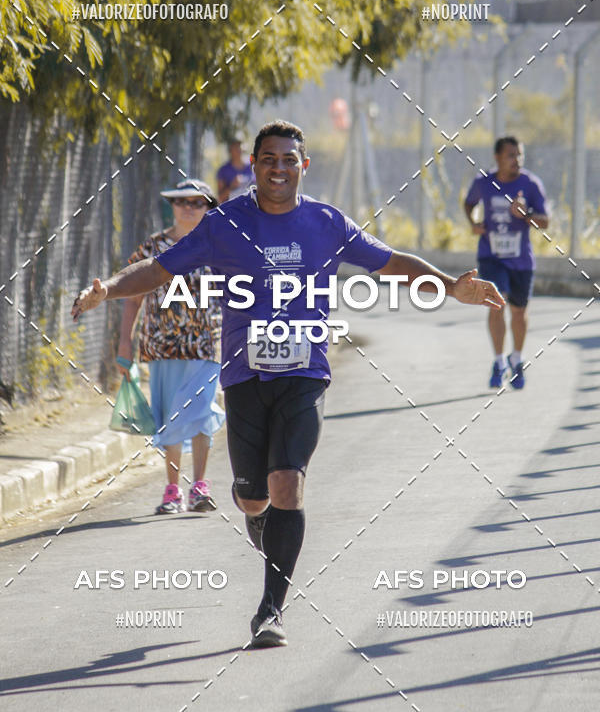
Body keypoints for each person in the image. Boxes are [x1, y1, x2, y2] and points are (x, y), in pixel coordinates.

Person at [72, 120, 504, 648]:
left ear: (304, 165)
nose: (279, 168)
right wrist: (110, 289)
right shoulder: (224, 223)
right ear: (253, 166)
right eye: (269, 159)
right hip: (244, 375)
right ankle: (260, 522)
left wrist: (449, 285)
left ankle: (271, 610)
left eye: (288, 159)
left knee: (287, 485)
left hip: (306, 374)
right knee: (252, 498)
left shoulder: (326, 222)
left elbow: (389, 262)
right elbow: (159, 270)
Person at [116, 178, 225, 514]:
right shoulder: (153, 247)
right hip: (161, 347)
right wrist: (124, 345)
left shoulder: (220, 246)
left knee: (201, 410)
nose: (189, 208)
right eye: (182, 202)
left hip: (205, 345)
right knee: (170, 417)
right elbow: (132, 298)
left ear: (208, 208)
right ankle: (173, 489)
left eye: (197, 202)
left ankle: (201, 486)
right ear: (173, 206)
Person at [464, 136, 549, 390]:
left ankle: (516, 358)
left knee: (519, 311)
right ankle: (499, 361)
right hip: (491, 257)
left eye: (520, 155)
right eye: (511, 155)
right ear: (498, 157)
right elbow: (468, 203)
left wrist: (528, 215)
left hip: (521, 260)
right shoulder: (484, 183)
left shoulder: (530, 184)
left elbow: (545, 222)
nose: (517, 160)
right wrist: (474, 224)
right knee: (497, 304)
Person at [216, 137, 254, 202]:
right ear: (230, 150)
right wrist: (232, 187)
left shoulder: (252, 166)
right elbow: (220, 198)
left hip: (251, 207)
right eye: (235, 147)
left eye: (240, 146)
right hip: (232, 209)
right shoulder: (223, 171)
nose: (239, 149)